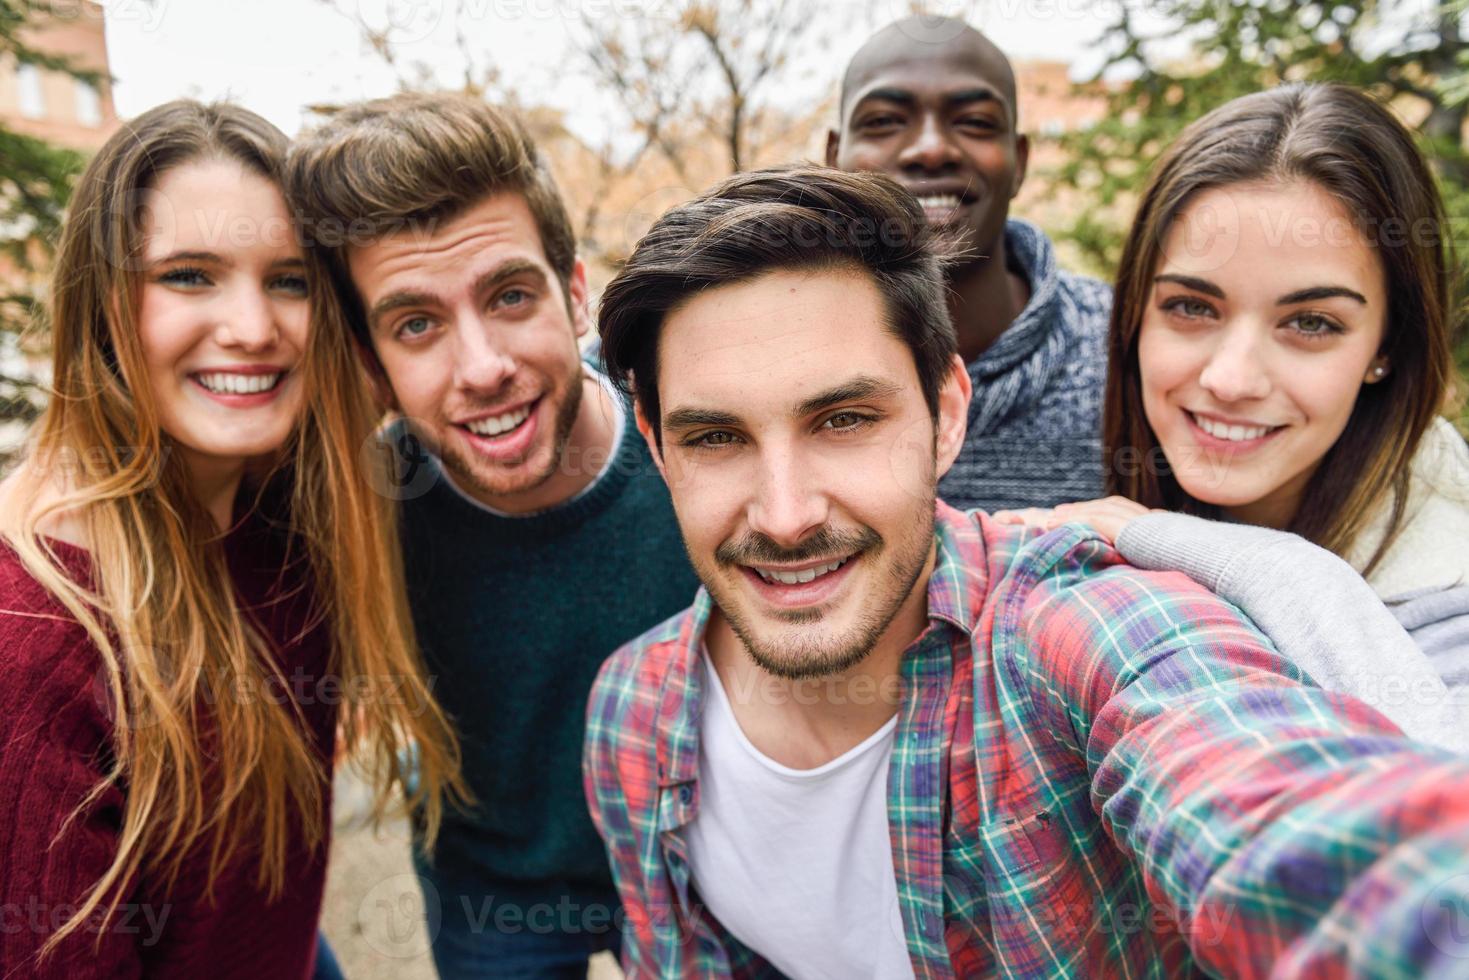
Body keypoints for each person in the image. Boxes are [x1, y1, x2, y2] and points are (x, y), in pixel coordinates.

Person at [585, 164, 1469, 977]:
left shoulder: (1088, 630)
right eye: (715, 437)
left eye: (845, 420)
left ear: (946, 416)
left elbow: (1296, 825)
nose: (784, 516)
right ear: (659, 451)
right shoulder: (631, 714)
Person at [0, 100, 463, 977]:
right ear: (101, 302)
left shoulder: (286, 507)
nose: (253, 327)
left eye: (288, 280)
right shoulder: (32, 640)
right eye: (188, 275)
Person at [285, 93, 699, 977]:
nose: (483, 368)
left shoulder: (697, 446)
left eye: (509, 295)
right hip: (491, 902)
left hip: (695, 876)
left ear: (575, 291)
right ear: (372, 364)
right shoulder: (362, 514)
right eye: (416, 325)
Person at [997, 84, 1469, 689]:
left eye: (1310, 323)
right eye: (1192, 307)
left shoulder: (1446, 609)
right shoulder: (1082, 496)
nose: (1230, 379)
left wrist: (1190, 547)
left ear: (1386, 348)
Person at [826, 15, 1111, 512]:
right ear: (834, 158)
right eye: (884, 122)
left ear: (1020, 161)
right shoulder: (766, 355)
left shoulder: (1127, 348)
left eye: (975, 122)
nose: (931, 149)